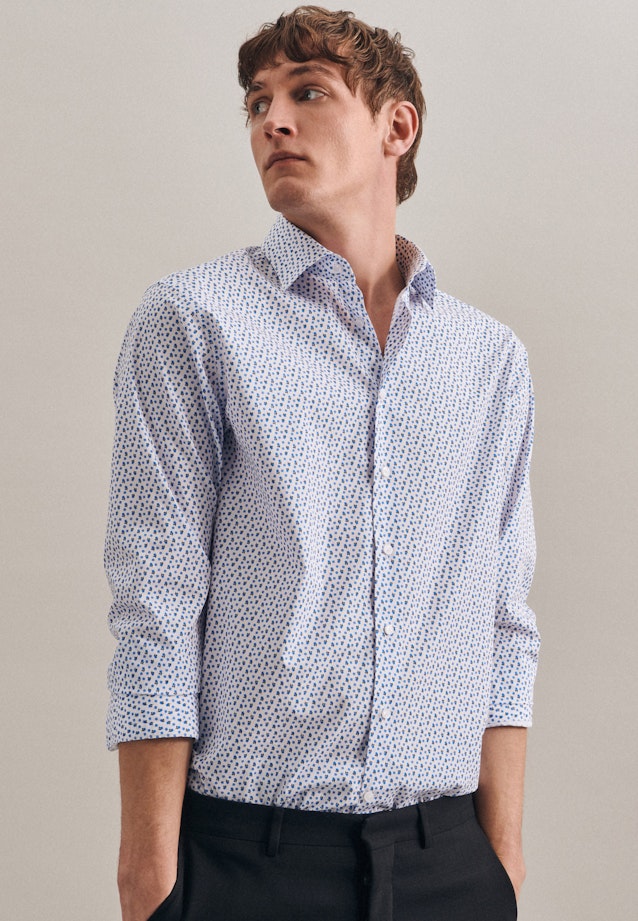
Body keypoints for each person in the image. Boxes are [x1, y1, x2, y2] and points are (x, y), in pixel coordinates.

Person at [105, 6, 540, 920]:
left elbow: (504, 615)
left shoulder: (488, 358)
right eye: (257, 102)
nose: (272, 121)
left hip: (450, 860)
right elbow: (157, 599)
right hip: (247, 861)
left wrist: (501, 857)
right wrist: (148, 877)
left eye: (308, 93)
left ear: (396, 125)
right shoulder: (194, 320)